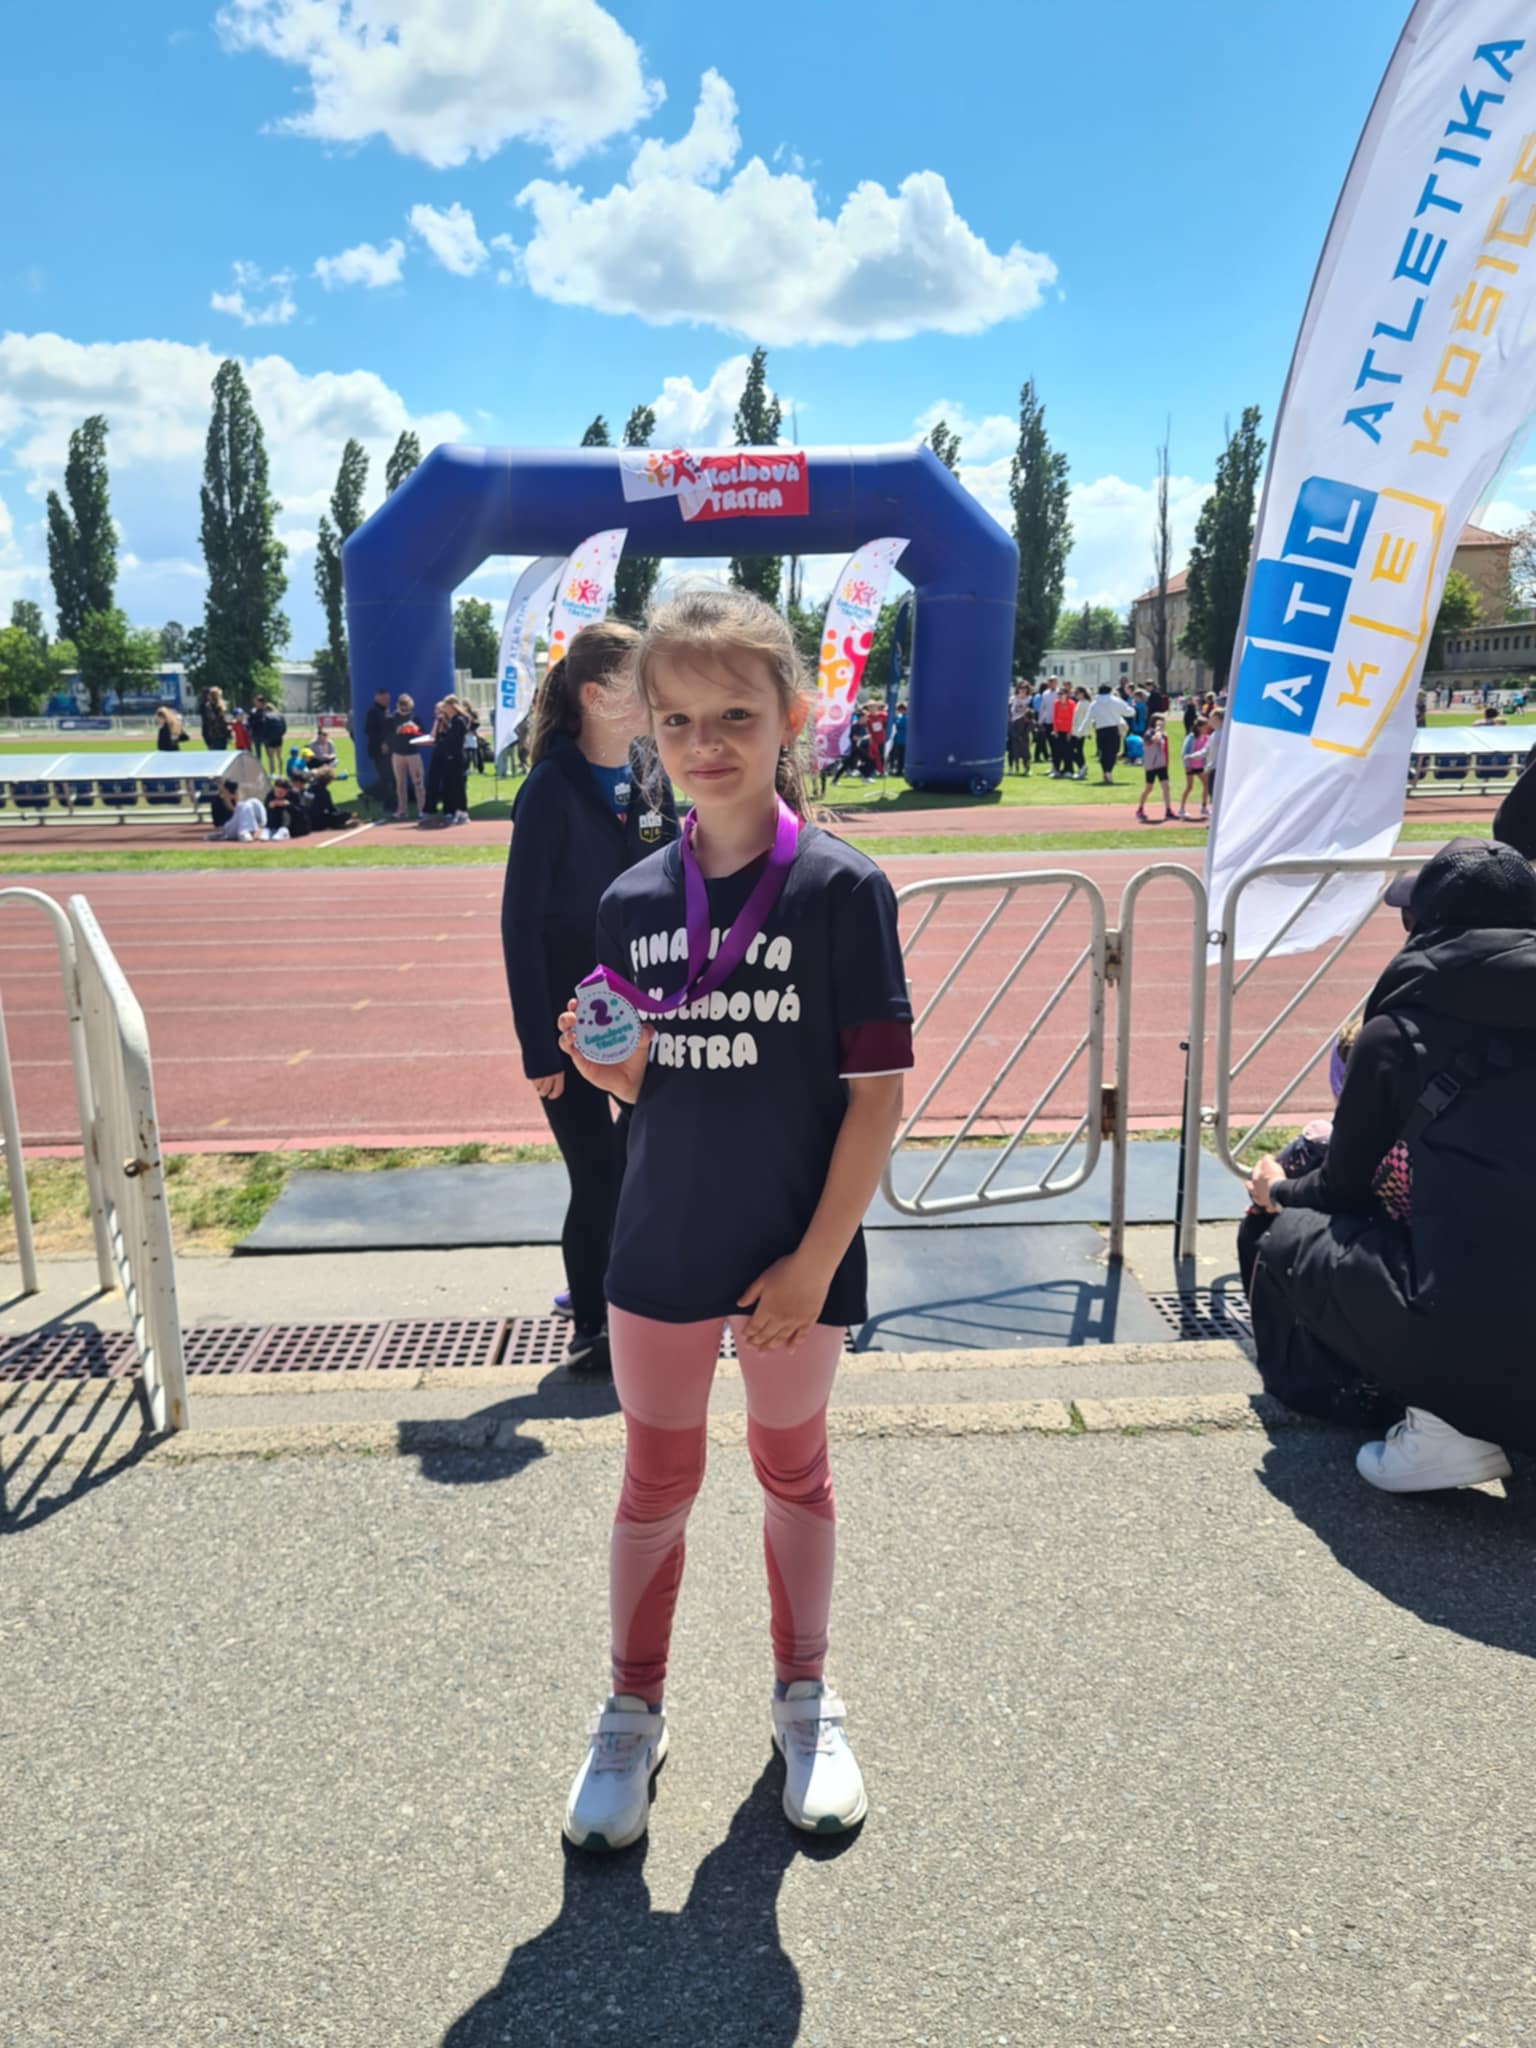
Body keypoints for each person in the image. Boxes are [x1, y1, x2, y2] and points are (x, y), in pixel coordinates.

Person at [553, 585, 912, 1851]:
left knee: (791, 1469)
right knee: (655, 1478)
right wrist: (611, 1069)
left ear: (791, 716)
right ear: (646, 728)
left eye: (736, 716)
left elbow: (876, 1097)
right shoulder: (629, 902)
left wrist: (815, 1261)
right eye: (678, 720)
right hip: (660, 1240)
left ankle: (804, 1696)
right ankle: (631, 1711)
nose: (706, 744)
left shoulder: (842, 889)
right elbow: (662, 1077)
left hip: (793, 1249)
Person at [1245, 840, 1536, 1490]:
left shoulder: (1401, 1031)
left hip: (1480, 1328)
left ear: (1428, 926)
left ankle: (1443, 1425)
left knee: (1292, 1237)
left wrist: (1278, 1190)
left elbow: (1341, 1191)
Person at [502, 622, 678, 1373]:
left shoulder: (649, 772)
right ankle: (593, 1325)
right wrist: (537, 1048)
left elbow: (672, 871)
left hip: (649, 1014)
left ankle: (628, 1289)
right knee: (599, 1175)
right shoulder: (549, 788)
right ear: (599, 697)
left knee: (647, 1167)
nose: (658, 701)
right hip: (571, 1026)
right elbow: (519, 925)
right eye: (644, 687)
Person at [388, 694, 426, 819]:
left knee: (418, 782)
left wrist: (415, 728)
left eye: (406, 705)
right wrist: (400, 728)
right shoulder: (392, 718)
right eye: (401, 705)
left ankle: (422, 809)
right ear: (398, 705)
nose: (403, 708)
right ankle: (402, 809)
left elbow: (423, 734)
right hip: (398, 754)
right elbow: (388, 736)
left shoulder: (415, 717)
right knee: (400, 784)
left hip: (413, 754)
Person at [1087, 683, 1132, 784]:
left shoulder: (1095, 703)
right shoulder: (1115, 700)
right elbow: (1128, 711)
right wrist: (1132, 710)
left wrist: (1082, 730)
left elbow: (1088, 717)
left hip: (1100, 730)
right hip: (1112, 729)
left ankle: (1105, 772)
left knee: (1103, 752)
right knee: (1112, 752)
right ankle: (1108, 772)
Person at [1136, 715, 1175, 823]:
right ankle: (1140, 808)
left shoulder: (1163, 735)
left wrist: (1166, 763)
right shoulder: (1149, 733)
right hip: (1151, 765)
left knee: (1166, 787)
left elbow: (1165, 749)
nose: (1163, 725)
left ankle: (1168, 810)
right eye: (1161, 723)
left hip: (1161, 764)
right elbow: (1151, 741)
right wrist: (1158, 731)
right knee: (1149, 788)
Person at [363, 689, 393, 810]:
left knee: (388, 777)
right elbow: (369, 731)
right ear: (377, 698)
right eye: (384, 699)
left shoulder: (385, 711)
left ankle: (369, 794)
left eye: (388, 699)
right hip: (378, 749)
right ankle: (386, 803)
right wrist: (382, 743)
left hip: (388, 748)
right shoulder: (373, 712)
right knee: (387, 777)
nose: (387, 701)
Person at [1177, 717, 1212, 819]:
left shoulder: (1206, 738)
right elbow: (1184, 752)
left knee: (1206, 785)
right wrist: (1186, 765)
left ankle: (1203, 806)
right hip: (1190, 766)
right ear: (1199, 727)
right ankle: (1181, 809)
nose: (1207, 729)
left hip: (1200, 766)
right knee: (1189, 787)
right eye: (1205, 727)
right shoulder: (1190, 737)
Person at [1050, 680, 1075, 777]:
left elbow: (1073, 719)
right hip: (1059, 730)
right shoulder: (1056, 703)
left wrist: (1070, 732)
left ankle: (1068, 770)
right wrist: (1055, 730)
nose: (1060, 696)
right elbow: (1055, 717)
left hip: (1068, 731)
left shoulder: (1071, 704)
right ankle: (1056, 770)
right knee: (1057, 752)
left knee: (1067, 751)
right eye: (1059, 694)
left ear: (1066, 695)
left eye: (1062, 694)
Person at [1069, 685, 1092, 780]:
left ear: (1082, 693)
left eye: (1077, 693)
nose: (1075, 695)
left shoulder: (1085, 704)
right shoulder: (1080, 703)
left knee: (1073, 750)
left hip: (1079, 731)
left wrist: (1086, 731)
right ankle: (1082, 767)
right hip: (1076, 730)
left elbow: (1087, 719)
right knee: (1077, 750)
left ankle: (1082, 766)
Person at [199, 688, 230, 752]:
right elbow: (217, 721)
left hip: (216, 736)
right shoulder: (212, 707)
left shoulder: (211, 707)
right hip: (217, 736)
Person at [887, 699, 908, 779]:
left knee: (901, 757)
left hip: (903, 741)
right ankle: (897, 770)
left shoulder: (905, 718)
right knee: (898, 756)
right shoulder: (900, 717)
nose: (900, 711)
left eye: (901, 709)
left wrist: (895, 719)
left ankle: (900, 771)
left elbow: (898, 725)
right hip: (898, 740)